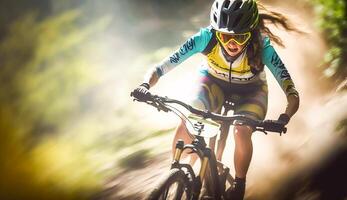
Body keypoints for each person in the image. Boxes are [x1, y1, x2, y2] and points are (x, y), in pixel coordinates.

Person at [132, 0, 300, 199]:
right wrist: (145, 85)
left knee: (241, 130)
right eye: (225, 35)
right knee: (189, 119)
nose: (232, 44)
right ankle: (176, 174)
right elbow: (162, 67)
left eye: (239, 37)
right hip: (212, 84)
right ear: (216, 31)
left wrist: (285, 117)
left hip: (251, 92)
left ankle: (239, 184)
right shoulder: (205, 38)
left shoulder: (262, 47)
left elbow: (291, 92)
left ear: (251, 33)